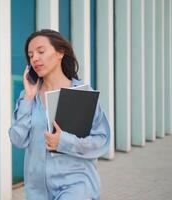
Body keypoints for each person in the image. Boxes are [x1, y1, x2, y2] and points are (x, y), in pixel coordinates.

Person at [8, 29, 110, 200]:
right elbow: (18, 140)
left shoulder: (81, 94)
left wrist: (63, 141)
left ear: (60, 53)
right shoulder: (28, 97)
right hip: (37, 190)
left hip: (76, 184)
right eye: (30, 55)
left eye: (40, 51)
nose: (35, 58)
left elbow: (101, 140)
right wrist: (28, 98)